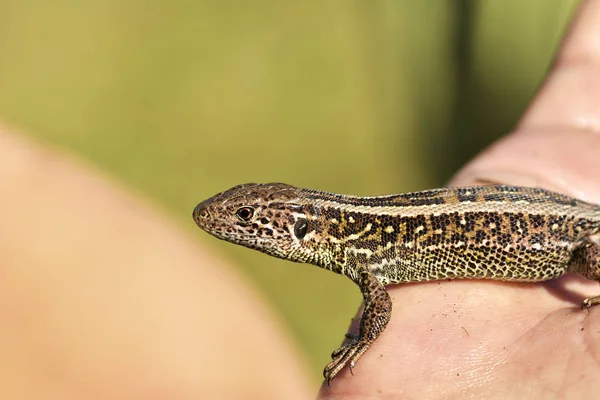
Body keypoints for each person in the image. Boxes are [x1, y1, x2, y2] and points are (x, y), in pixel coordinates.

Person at [1, 1, 598, 399]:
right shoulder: (363, 242)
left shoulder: (367, 257)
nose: (227, 225)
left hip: (568, 237)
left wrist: (362, 345)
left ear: (297, 229)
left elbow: (380, 309)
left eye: (247, 222)